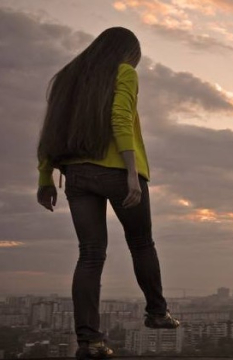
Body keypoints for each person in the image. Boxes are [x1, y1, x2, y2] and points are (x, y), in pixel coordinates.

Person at [35, 27, 179, 360]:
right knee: (141, 243)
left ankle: (90, 342)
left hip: (78, 176)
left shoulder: (67, 78)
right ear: (128, 53)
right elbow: (121, 118)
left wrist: (45, 177)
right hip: (117, 171)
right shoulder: (123, 72)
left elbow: (50, 129)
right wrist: (130, 171)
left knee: (90, 255)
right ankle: (157, 314)